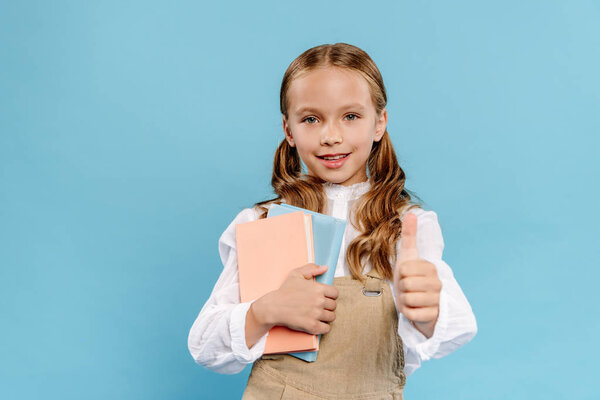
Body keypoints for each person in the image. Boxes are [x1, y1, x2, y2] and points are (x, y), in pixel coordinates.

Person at [188, 42, 477, 399]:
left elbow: (457, 327)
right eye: (311, 119)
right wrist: (265, 311)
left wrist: (426, 310)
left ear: (379, 123)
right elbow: (204, 345)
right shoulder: (260, 223)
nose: (331, 136)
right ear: (289, 130)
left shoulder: (407, 227)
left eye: (350, 116)